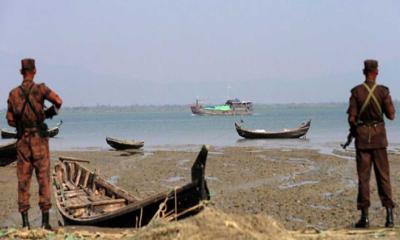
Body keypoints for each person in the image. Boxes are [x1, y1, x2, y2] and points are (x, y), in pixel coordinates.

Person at [6, 58, 63, 229]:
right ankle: (45, 223)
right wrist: (46, 114)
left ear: (21, 72)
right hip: (39, 139)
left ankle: (25, 224)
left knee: (23, 181)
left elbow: (9, 120)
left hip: (23, 140)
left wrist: (22, 125)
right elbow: (58, 101)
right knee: (43, 179)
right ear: (35, 71)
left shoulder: (13, 94)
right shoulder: (41, 89)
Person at [347, 59, 396, 228]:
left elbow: (352, 118)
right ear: (376, 72)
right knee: (383, 177)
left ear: (364, 72)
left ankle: (365, 218)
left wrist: (354, 131)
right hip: (379, 139)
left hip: (362, 141)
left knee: (364, 179)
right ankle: (389, 217)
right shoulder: (383, 92)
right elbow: (391, 115)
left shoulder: (357, 92)